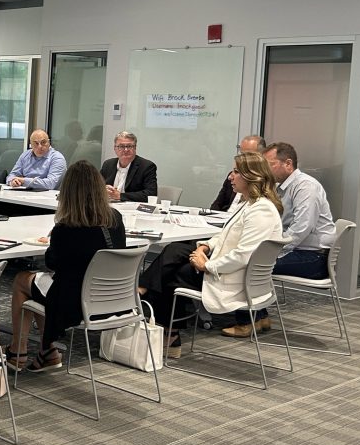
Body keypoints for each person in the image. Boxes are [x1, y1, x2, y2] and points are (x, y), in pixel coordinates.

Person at [139, 152, 284, 345]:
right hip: (227, 267)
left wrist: (208, 266)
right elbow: (224, 236)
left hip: (233, 279)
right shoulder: (249, 204)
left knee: (171, 274)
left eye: (235, 172)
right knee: (175, 249)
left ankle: (159, 320)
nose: (230, 177)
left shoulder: (262, 210)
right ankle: (149, 300)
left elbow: (243, 255)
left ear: (251, 177)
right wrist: (204, 247)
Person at [3, 160, 126, 372]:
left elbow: (52, 263)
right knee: (43, 284)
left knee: (23, 280)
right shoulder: (115, 218)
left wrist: (54, 240)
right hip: (112, 299)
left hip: (75, 302)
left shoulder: (67, 228)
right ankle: (47, 351)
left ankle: (18, 351)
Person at [264, 142, 336, 280]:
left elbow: (301, 227)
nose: (266, 170)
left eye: (270, 164)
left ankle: (252, 300)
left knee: (251, 265)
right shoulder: (281, 186)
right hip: (297, 250)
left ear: (288, 164)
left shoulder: (305, 186)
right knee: (249, 260)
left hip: (314, 257)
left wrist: (273, 250)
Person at [210, 135, 266, 211]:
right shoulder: (233, 176)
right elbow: (217, 205)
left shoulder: (264, 183)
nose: (242, 158)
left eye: (248, 155)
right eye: (241, 153)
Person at [100, 131, 157, 202]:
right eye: (121, 146)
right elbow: (95, 187)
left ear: (135, 148)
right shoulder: (108, 164)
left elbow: (151, 194)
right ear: (115, 148)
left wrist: (120, 196)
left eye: (129, 146)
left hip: (131, 209)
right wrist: (102, 189)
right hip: (107, 206)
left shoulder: (146, 166)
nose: (126, 150)